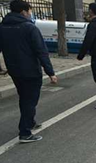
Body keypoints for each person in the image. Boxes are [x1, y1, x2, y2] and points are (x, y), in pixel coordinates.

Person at [0, 0, 57, 143]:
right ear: (23, 12)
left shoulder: (3, 27)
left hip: (14, 70)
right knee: (30, 100)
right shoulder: (29, 28)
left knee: (24, 98)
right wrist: (50, 72)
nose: (30, 13)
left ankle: (30, 121)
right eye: (29, 11)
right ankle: (25, 132)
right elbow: (41, 51)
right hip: (30, 71)